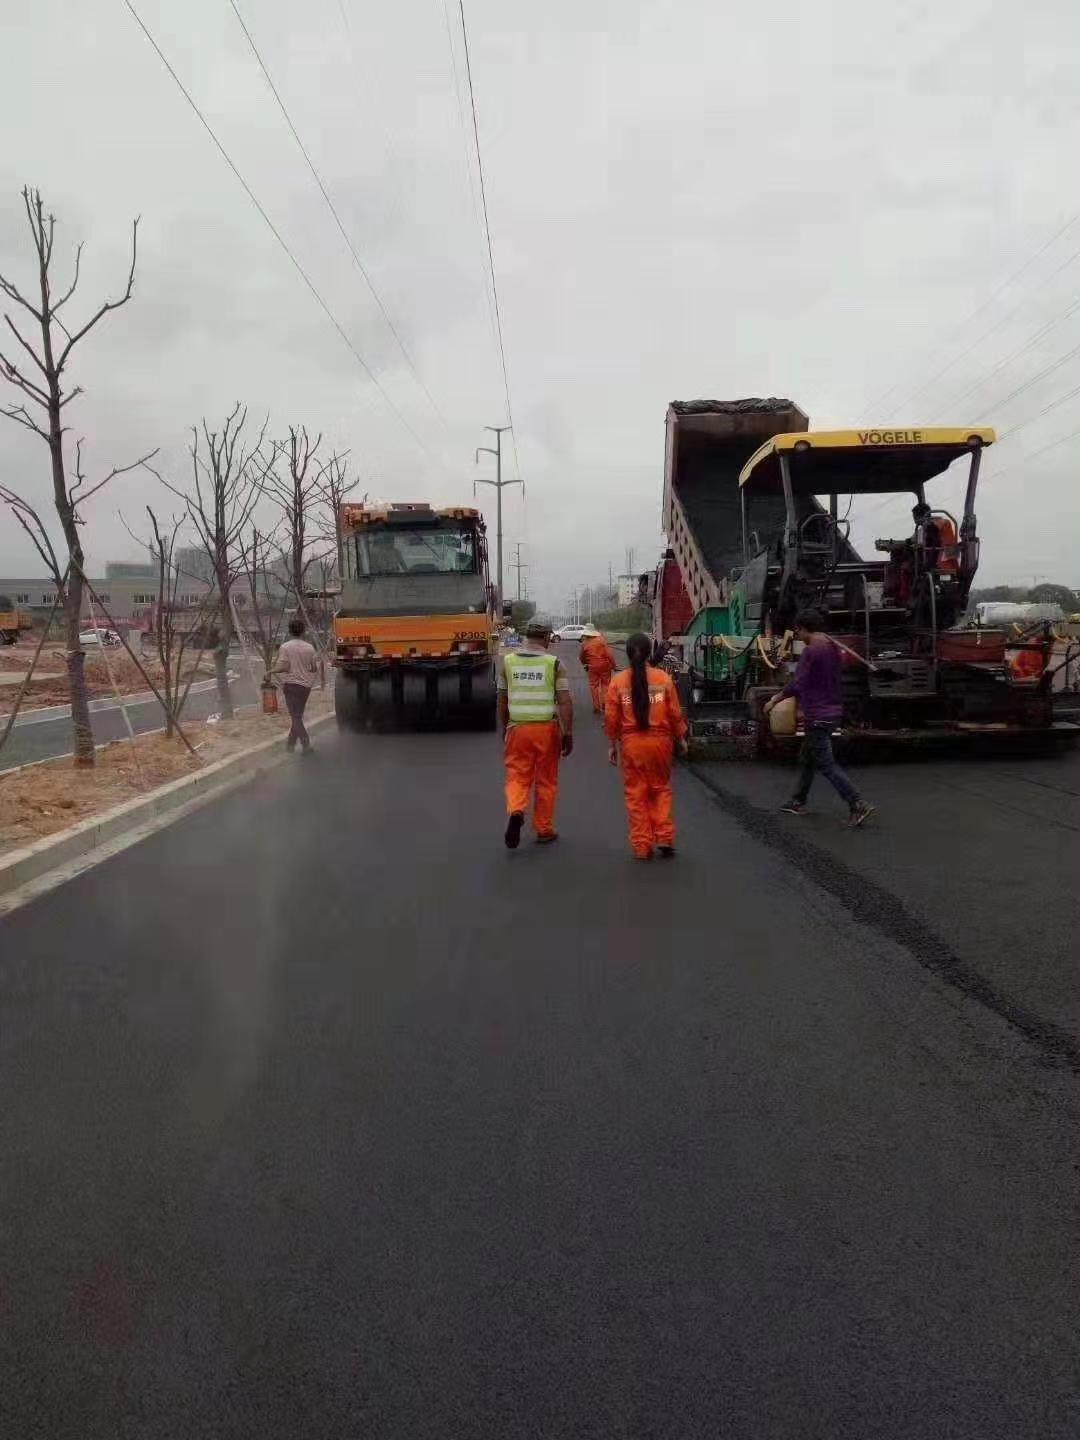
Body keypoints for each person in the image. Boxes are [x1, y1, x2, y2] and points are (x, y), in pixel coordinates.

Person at [763, 609, 874, 826]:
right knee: (807, 758)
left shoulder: (812, 651)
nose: (797, 636)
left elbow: (798, 683)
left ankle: (857, 803)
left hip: (818, 714)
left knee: (826, 763)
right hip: (832, 710)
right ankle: (797, 800)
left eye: (798, 632)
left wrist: (775, 698)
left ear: (802, 628)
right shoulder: (832, 646)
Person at [604, 631, 688, 860]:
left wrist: (612, 744)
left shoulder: (618, 682)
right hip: (661, 743)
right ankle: (665, 837)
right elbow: (674, 712)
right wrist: (680, 738)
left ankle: (642, 846)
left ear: (628, 655)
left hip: (632, 745)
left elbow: (611, 718)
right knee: (660, 789)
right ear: (650, 652)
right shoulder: (663, 679)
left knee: (636, 795)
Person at [498, 618, 574, 848]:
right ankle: (544, 829)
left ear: (527, 637)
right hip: (546, 730)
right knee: (546, 781)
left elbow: (501, 700)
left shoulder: (508, 662)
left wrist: (505, 728)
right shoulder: (555, 664)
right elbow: (565, 702)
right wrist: (567, 732)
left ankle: (517, 810)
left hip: (517, 728)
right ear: (547, 638)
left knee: (517, 776)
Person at [273, 617, 320, 754]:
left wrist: (271, 671)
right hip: (305, 686)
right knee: (297, 715)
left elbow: (283, 666)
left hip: (291, 685)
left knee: (295, 716)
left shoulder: (285, 647)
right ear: (303, 631)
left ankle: (306, 744)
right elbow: (313, 668)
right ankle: (290, 745)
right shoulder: (310, 647)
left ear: (289, 631)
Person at [580, 630, 616, 714]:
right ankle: (604, 704)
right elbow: (609, 654)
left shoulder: (584, 644)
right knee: (605, 685)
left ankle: (596, 707)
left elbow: (582, 657)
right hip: (605, 666)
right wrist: (614, 665)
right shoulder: (602, 641)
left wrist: (585, 664)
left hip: (592, 667)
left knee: (593, 686)